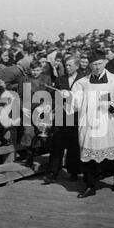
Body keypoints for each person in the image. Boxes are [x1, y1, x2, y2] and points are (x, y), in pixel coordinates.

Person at [70, 50, 114, 198]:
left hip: (109, 121)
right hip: (89, 123)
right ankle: (90, 185)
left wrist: (112, 105)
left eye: (99, 64)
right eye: (94, 64)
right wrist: (68, 97)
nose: (97, 67)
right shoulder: (82, 82)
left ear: (104, 62)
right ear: (89, 65)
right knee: (89, 154)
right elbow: (76, 103)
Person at [43, 56, 85, 184]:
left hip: (76, 116)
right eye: (66, 65)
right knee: (57, 144)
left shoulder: (84, 80)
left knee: (74, 145)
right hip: (61, 115)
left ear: (77, 66)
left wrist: (71, 97)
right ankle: (53, 172)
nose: (67, 68)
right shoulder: (60, 79)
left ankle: (73, 171)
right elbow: (54, 97)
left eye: (70, 65)